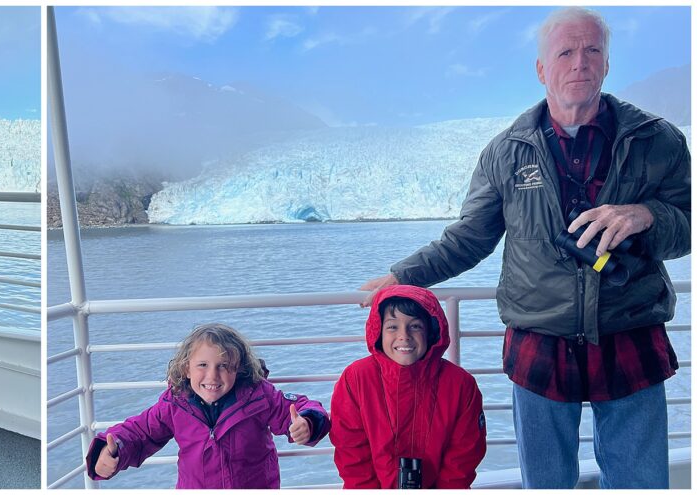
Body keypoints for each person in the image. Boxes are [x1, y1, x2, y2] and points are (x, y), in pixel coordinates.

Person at [359, 7, 689, 489]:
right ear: (541, 69)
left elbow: (688, 224)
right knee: (546, 483)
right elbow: (469, 237)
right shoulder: (505, 151)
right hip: (539, 341)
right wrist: (401, 276)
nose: (580, 62)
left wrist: (647, 216)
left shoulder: (656, 140)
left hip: (630, 332)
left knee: (641, 482)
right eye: (566, 52)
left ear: (608, 63)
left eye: (593, 50)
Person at [84, 323, 331, 488]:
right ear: (186, 369)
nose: (212, 376)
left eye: (224, 366)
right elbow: (139, 432)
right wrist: (111, 451)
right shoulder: (175, 403)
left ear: (239, 369)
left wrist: (307, 422)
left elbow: (298, 407)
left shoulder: (258, 396)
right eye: (203, 365)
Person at [331, 285, 485, 488]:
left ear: (431, 331)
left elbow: (464, 456)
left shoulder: (461, 385)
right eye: (392, 327)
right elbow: (351, 453)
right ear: (378, 331)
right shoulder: (356, 379)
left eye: (415, 326)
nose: (404, 335)